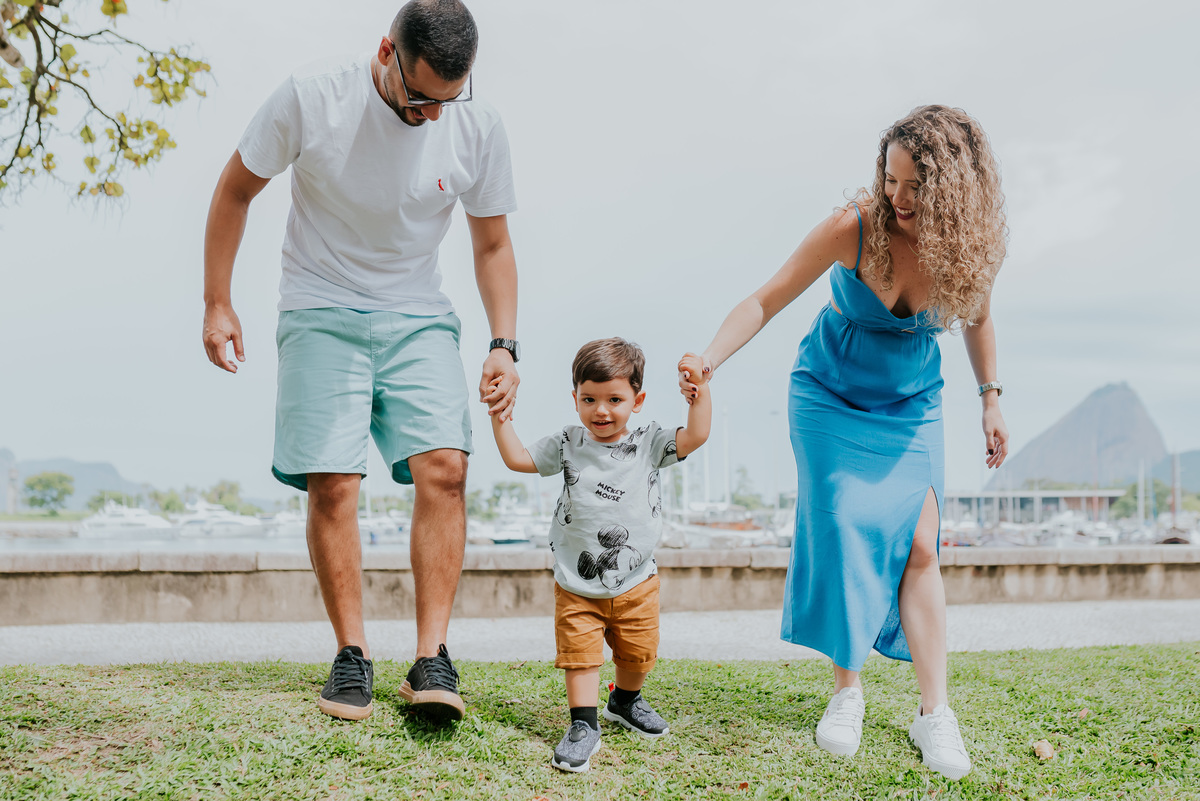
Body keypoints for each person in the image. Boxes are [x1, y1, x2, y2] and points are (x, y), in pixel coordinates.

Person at [201, 0, 520, 723]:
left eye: (447, 99)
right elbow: (236, 189)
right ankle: (352, 655)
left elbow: (493, 245)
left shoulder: (476, 124)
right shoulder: (313, 96)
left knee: (448, 467)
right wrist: (218, 301)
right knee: (335, 482)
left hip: (418, 312)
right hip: (319, 304)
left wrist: (504, 342)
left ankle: (431, 657)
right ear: (386, 51)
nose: (433, 115)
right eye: (419, 98)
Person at [681, 105, 1009, 779]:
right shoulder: (856, 228)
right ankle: (846, 691)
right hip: (828, 394)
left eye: (914, 186)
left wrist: (990, 398)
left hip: (911, 402)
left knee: (921, 543)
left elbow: (978, 318)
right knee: (841, 525)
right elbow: (766, 299)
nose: (897, 196)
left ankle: (933, 711)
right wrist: (711, 356)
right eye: (889, 179)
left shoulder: (970, 247)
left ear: (952, 191)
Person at [490, 338, 711, 772]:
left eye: (614, 399)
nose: (601, 410)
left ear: (637, 400)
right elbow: (517, 458)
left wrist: (699, 392)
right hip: (576, 582)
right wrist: (501, 417)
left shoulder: (650, 443)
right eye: (589, 399)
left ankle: (625, 701)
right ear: (574, 399)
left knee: (639, 653)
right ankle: (583, 724)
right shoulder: (568, 442)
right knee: (580, 655)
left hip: (637, 580)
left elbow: (697, 434)